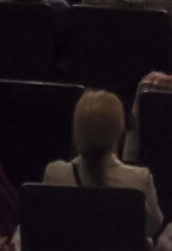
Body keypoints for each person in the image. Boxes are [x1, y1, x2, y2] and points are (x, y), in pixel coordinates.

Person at [42, 89, 164, 241]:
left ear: (77, 128)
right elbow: (153, 226)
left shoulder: (55, 174)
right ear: (119, 130)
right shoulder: (139, 179)